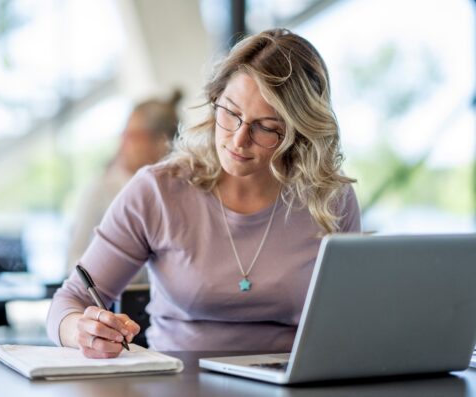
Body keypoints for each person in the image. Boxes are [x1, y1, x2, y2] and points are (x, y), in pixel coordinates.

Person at [47, 28, 361, 358]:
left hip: (291, 382)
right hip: (177, 384)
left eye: (266, 127)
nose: (239, 140)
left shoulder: (330, 200)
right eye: (231, 113)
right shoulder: (158, 190)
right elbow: (68, 302)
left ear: (298, 131)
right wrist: (81, 329)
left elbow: (350, 319)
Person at [66, 91, 182, 280]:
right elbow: (74, 260)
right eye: (124, 133)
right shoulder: (100, 188)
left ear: (161, 142)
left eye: (132, 135)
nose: (123, 141)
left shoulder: (183, 190)